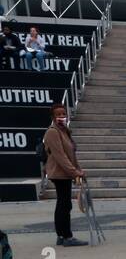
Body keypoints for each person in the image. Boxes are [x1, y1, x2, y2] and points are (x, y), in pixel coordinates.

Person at [43, 105, 86, 247]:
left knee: (62, 204)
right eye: (58, 114)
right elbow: (60, 156)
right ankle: (67, 236)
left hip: (64, 173)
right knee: (65, 205)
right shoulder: (53, 132)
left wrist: (78, 170)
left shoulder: (64, 131)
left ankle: (61, 235)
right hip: (59, 173)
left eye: (63, 113)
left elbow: (71, 154)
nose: (62, 116)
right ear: (53, 117)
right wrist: (74, 172)